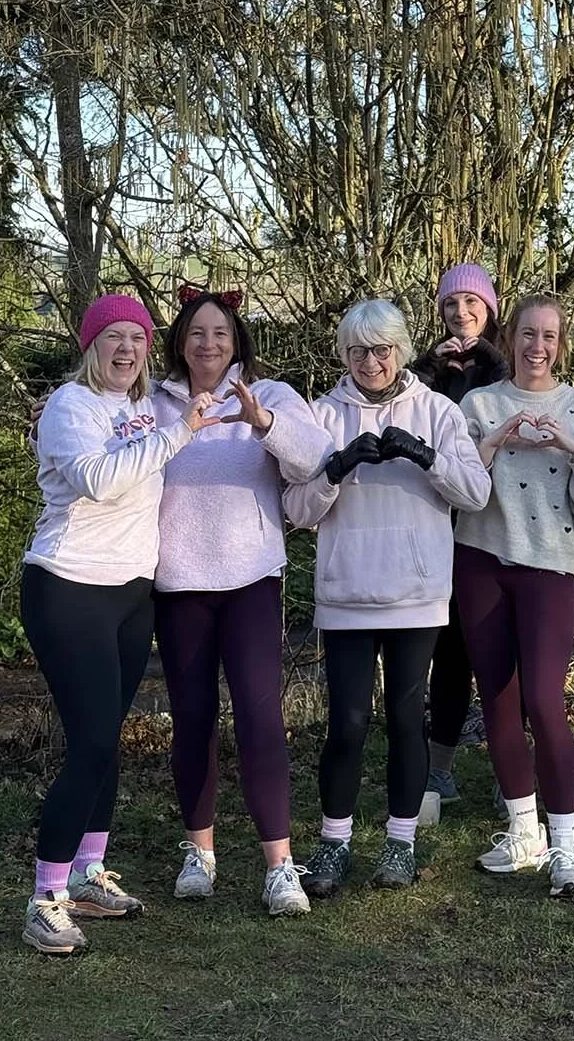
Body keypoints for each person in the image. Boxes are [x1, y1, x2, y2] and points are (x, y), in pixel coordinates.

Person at [22, 294, 217, 955]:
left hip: (131, 594)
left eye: (137, 338)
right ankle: (45, 897)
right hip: (68, 587)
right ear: (91, 346)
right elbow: (101, 483)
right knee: (95, 745)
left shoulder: (138, 408)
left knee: (104, 742)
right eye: (114, 338)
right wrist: (178, 431)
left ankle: (86, 874)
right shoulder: (68, 407)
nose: (127, 348)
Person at [283, 300, 490, 891]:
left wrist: (426, 458)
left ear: (401, 350)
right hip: (347, 592)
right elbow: (295, 511)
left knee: (405, 719)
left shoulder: (438, 411)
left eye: (382, 350)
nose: (370, 362)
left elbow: (475, 491)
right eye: (357, 351)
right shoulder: (322, 415)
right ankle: (333, 842)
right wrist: (335, 469)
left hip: (416, 593)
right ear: (343, 355)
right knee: (347, 723)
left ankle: (400, 842)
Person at [150, 287, 332, 915]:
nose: (209, 344)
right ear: (179, 340)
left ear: (237, 341)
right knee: (192, 718)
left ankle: (279, 866)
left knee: (260, 720)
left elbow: (317, 461)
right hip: (177, 583)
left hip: (252, 579)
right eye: (197, 333)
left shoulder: (271, 394)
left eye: (221, 334)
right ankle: (199, 852)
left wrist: (265, 423)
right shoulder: (152, 402)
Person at [455, 293, 574, 896]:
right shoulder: (479, 404)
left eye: (550, 337)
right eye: (528, 334)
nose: (537, 347)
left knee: (546, 702)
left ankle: (566, 845)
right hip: (481, 564)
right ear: (511, 340)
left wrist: (572, 451)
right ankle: (522, 828)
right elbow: (458, 491)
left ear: (561, 346)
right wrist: (493, 442)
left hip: (550, 567)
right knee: (498, 699)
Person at [411, 264, 509, 824]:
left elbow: (519, 388)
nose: (461, 313)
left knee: (499, 650)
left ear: (490, 310)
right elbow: (402, 405)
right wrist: (428, 366)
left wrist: (491, 359)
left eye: (473, 303)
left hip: (500, 522)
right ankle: (440, 768)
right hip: (443, 523)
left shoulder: (504, 361)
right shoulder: (434, 367)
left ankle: (507, 770)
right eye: (452, 304)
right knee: (450, 653)